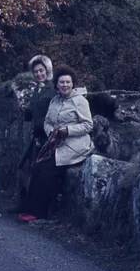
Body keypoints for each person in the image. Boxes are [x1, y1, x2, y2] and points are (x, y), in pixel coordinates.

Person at [18, 65, 93, 222]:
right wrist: (51, 132)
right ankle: (29, 208)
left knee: (47, 169)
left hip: (75, 145)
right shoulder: (55, 100)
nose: (65, 85)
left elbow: (88, 126)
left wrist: (67, 130)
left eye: (68, 82)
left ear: (73, 84)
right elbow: (47, 121)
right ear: (57, 85)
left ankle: (40, 213)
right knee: (37, 167)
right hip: (55, 143)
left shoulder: (80, 101)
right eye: (61, 82)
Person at [17, 55, 53, 202]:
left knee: (39, 171)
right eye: (36, 72)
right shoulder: (37, 90)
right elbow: (31, 112)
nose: (39, 74)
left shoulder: (53, 89)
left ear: (47, 70)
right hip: (36, 135)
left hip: (47, 136)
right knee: (24, 167)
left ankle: (34, 207)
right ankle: (24, 204)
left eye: (41, 71)